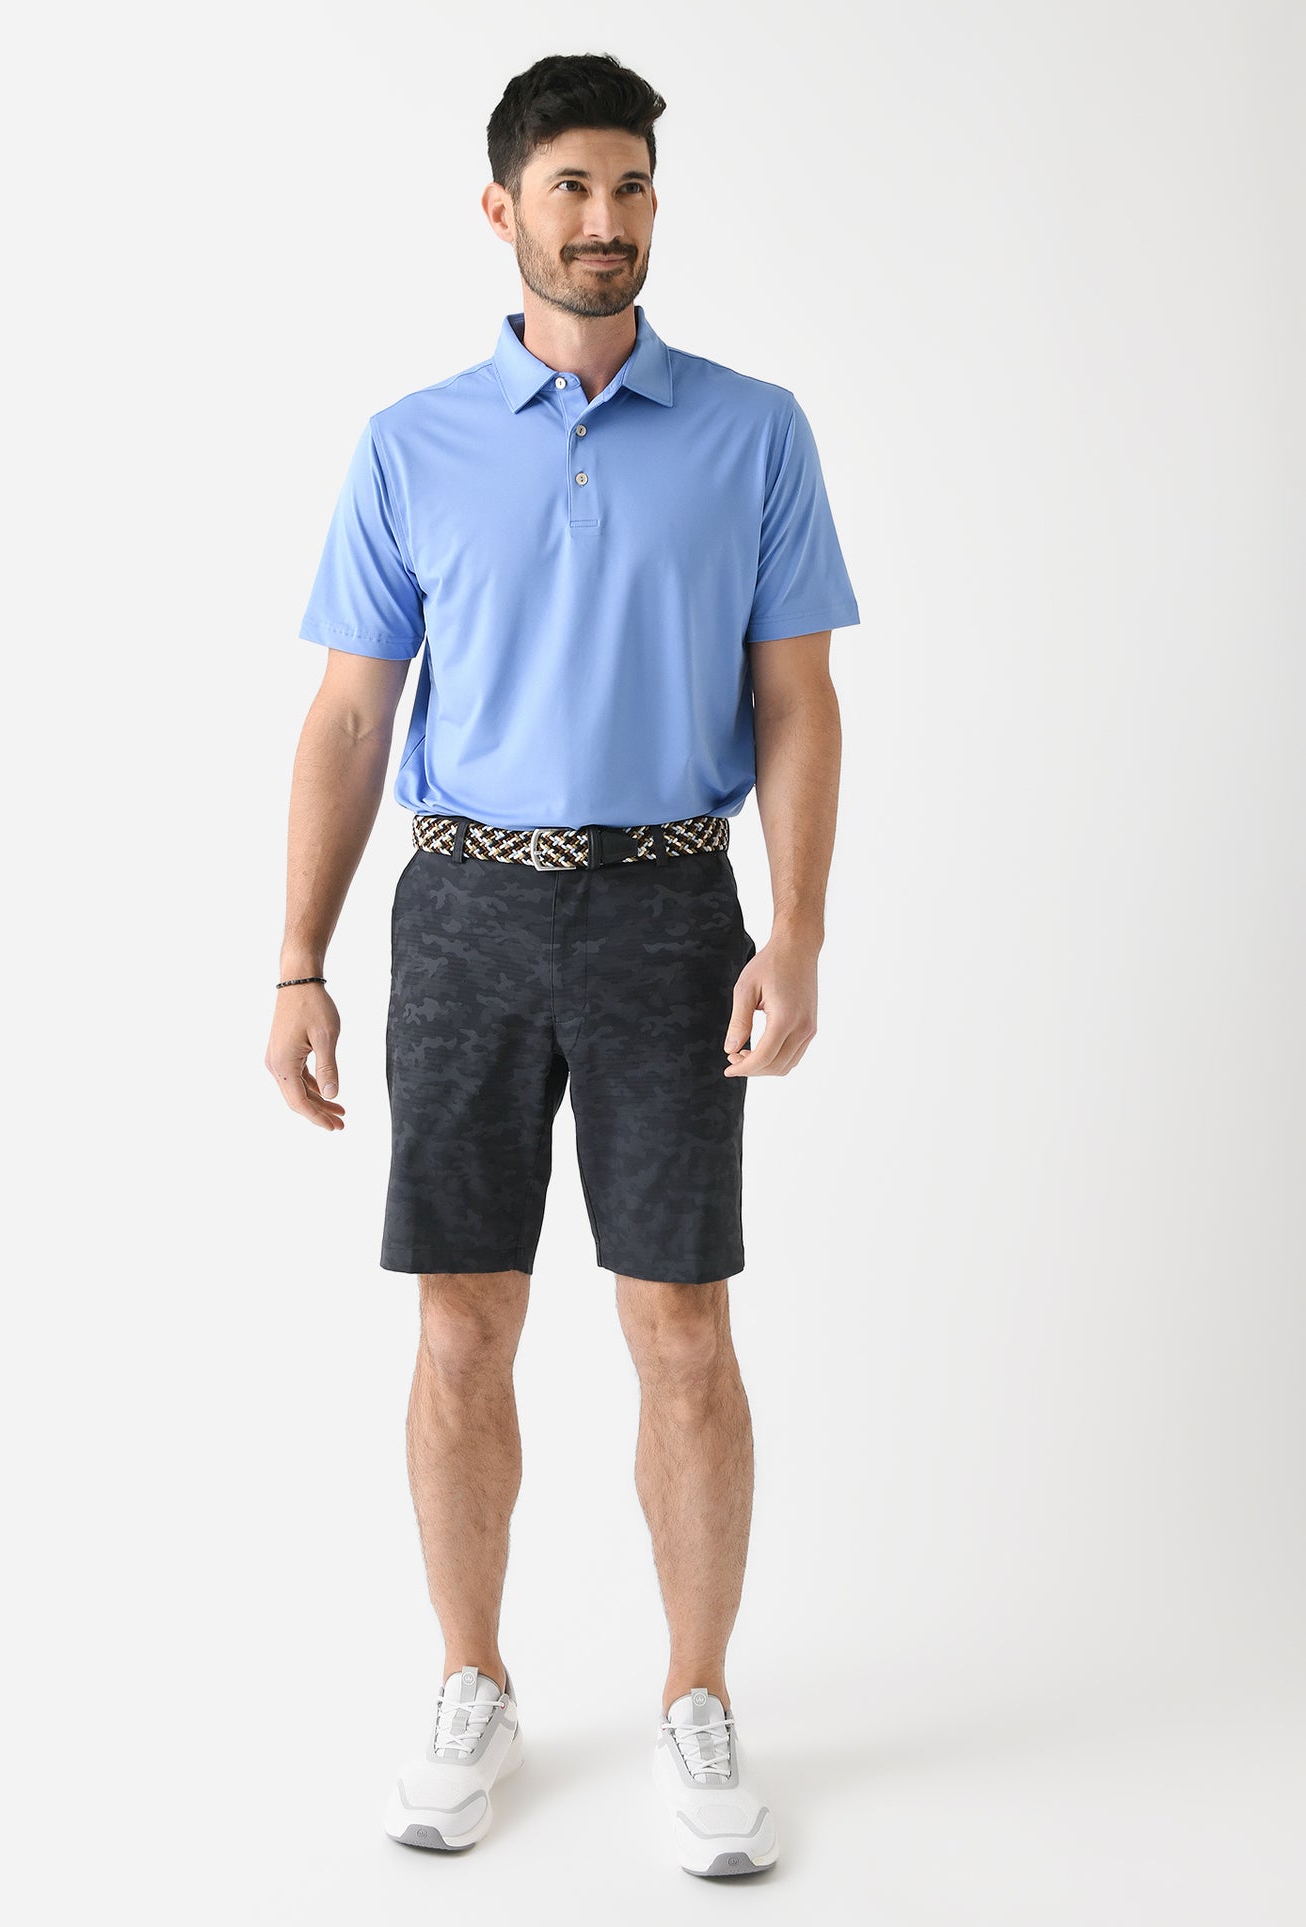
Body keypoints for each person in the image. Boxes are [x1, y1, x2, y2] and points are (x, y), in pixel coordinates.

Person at [265, 51, 860, 1877]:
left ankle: (696, 1694)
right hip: (463, 909)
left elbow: (794, 698)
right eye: (569, 188)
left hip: (673, 909)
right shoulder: (411, 443)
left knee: (681, 1323)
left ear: (654, 204)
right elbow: (351, 718)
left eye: (629, 186)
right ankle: (472, 1679)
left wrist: (796, 929)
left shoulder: (752, 430)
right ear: (502, 208)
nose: (603, 220)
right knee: (462, 1322)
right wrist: (295, 959)